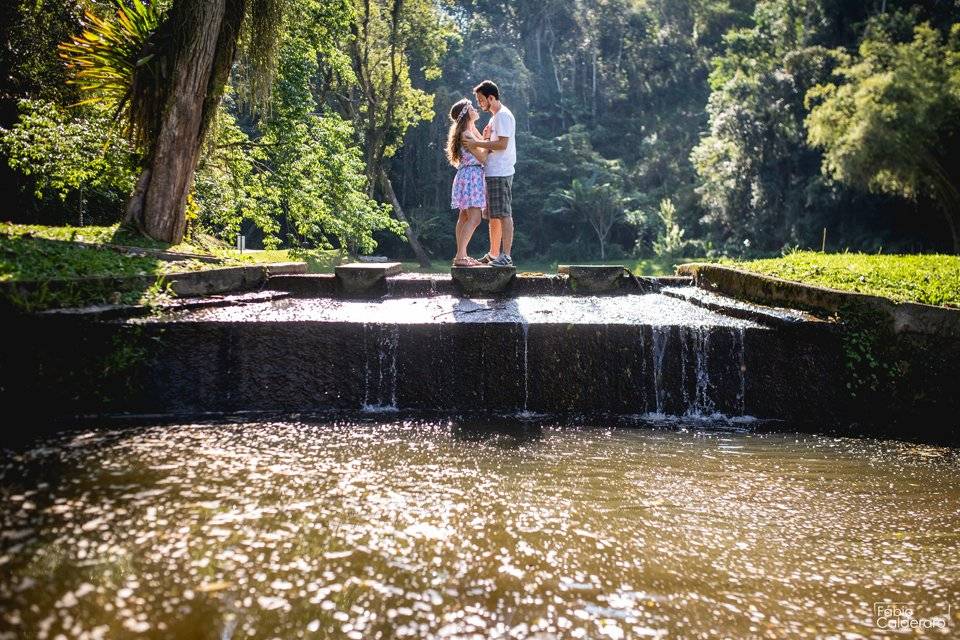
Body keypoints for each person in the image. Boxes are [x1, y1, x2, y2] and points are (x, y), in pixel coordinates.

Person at [466, 80, 516, 267]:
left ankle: (506, 256)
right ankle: (494, 254)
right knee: (494, 215)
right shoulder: (494, 118)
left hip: (501, 172)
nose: (480, 104)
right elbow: (490, 144)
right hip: (492, 171)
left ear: (491, 97)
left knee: (503, 214)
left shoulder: (503, 116)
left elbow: (502, 144)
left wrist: (476, 144)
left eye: (481, 100)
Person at [447, 98, 488, 267]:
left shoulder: (470, 130)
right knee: (475, 218)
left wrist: (485, 138)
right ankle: (460, 256)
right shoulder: (467, 134)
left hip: (467, 176)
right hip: (472, 176)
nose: (476, 109)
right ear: (466, 114)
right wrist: (490, 143)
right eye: (472, 108)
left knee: (464, 217)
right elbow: (483, 156)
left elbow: (483, 145)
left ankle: (461, 254)